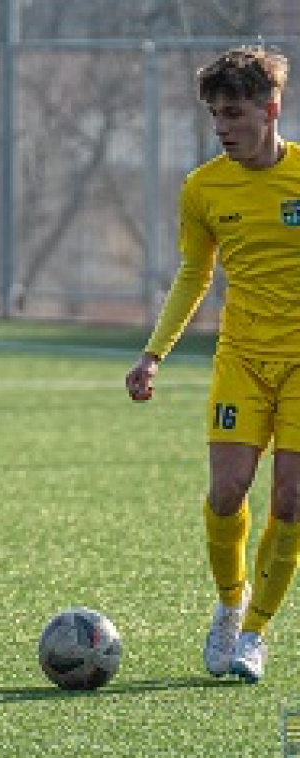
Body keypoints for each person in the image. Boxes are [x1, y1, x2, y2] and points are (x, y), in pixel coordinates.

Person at [125, 45, 300, 684]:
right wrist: (154, 353)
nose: (222, 128)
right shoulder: (203, 188)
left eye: (233, 114)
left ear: (270, 109)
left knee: (292, 500)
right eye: (214, 117)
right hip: (243, 360)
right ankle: (231, 605)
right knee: (227, 494)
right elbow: (195, 273)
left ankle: (255, 635)